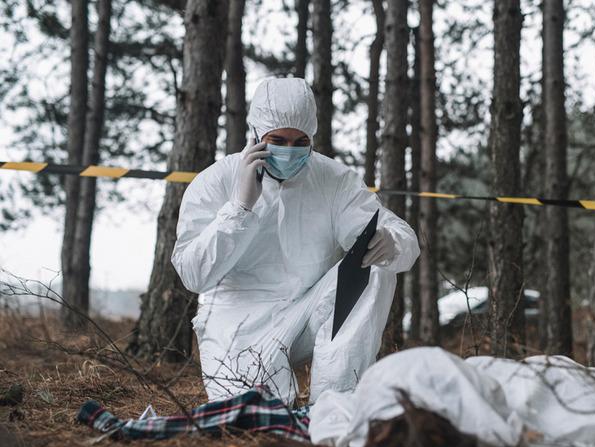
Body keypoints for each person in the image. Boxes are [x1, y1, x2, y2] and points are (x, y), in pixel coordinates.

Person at [171, 77, 419, 405]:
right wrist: (239, 209)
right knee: (258, 411)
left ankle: (335, 403)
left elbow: (396, 234)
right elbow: (193, 275)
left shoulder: (335, 180)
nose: (289, 150)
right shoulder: (216, 181)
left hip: (308, 310)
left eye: (300, 141)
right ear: (257, 134)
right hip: (238, 322)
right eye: (278, 139)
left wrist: (394, 243)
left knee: (373, 267)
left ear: (312, 137)